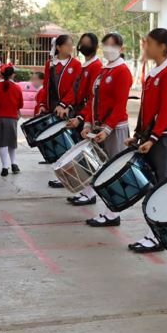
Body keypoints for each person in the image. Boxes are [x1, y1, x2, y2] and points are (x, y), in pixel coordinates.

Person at [126, 28, 167, 254]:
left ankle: (160, 235)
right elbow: (146, 110)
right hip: (151, 137)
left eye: (148, 43)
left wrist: (153, 137)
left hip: (163, 139)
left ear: (162, 47)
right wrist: (138, 134)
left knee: (163, 188)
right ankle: (154, 232)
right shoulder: (153, 72)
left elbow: (165, 109)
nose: (145, 47)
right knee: (154, 186)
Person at [79, 32, 133, 228]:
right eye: (106, 44)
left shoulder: (122, 72)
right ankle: (107, 209)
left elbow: (120, 105)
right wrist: (87, 123)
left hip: (115, 129)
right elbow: (93, 100)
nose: (109, 48)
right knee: (100, 170)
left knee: (113, 172)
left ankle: (112, 213)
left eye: (113, 45)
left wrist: (108, 129)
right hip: (98, 127)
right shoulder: (104, 70)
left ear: (121, 48)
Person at [37, 35, 81, 189]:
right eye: (68, 45)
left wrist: (64, 104)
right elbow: (46, 85)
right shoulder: (50, 64)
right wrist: (42, 103)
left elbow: (75, 88)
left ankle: (70, 176)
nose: (71, 48)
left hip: (66, 108)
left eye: (72, 45)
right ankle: (62, 175)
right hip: (52, 108)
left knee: (69, 144)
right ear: (58, 47)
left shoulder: (75, 64)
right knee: (57, 145)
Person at [65, 33, 103, 205]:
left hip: (88, 116)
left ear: (94, 46)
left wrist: (82, 118)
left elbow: (92, 97)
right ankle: (86, 191)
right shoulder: (84, 66)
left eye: (87, 43)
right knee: (83, 156)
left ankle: (90, 193)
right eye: (82, 42)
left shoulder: (96, 67)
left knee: (90, 156)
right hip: (80, 114)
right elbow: (76, 92)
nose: (83, 45)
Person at [0, 64, 23, 177]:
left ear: (1, 74)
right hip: (12, 118)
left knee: (2, 143)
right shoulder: (17, 87)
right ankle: (14, 164)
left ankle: (4, 167)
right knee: (12, 142)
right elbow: (20, 104)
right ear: (13, 75)